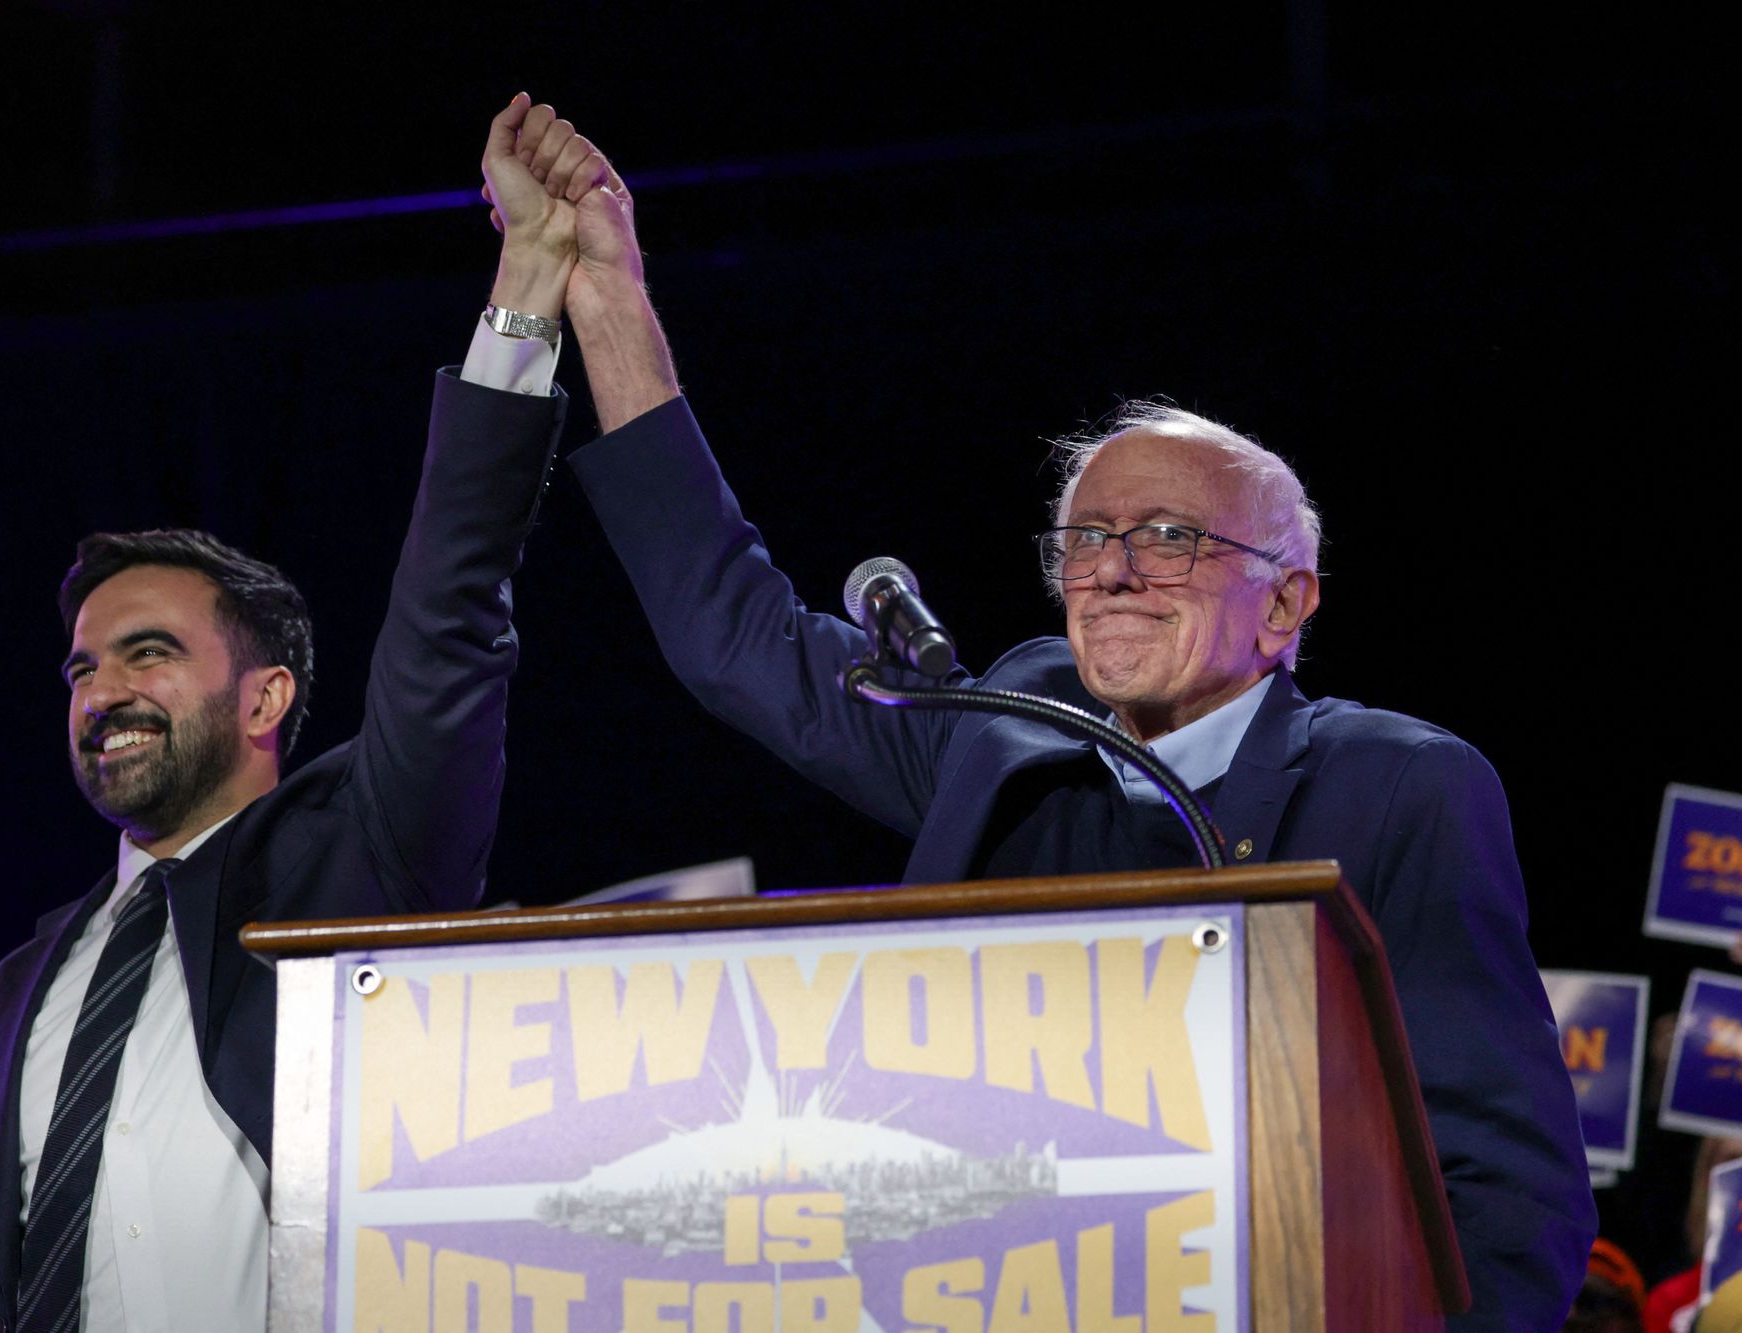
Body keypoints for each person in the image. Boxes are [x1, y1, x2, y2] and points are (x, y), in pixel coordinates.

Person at [541, 120, 1594, 1327]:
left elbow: (1503, 1185)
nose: (1112, 568)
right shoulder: (1000, 736)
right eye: (1086, 538)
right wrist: (609, 300)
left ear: (1286, 602)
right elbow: (730, 632)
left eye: (1170, 538)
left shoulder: (1398, 785)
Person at [0, 95, 614, 1333]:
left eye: (149, 653)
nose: (103, 693)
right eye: (83, 669)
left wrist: (524, 285)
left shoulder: (353, 865)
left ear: (267, 696)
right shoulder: (10, 992)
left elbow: (447, 614)